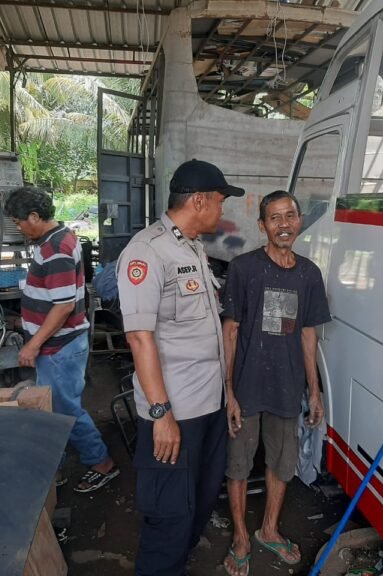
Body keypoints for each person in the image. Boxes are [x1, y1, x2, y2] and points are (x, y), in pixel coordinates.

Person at [117, 159, 244, 576]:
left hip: (207, 405)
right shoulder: (147, 251)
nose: (223, 211)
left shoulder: (190, 246)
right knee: (169, 515)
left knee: (200, 502)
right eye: (221, 202)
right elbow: (139, 337)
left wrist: (227, 396)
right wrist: (160, 414)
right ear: (199, 200)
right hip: (174, 413)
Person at [221, 190, 331, 576]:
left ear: (300, 220)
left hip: (287, 387)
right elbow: (230, 332)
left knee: (283, 464)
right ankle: (240, 537)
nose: (283, 224)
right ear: (262, 225)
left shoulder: (309, 273)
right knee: (237, 465)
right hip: (248, 387)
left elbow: (307, 334)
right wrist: (229, 392)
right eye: (275, 218)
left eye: (290, 216)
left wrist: (313, 390)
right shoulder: (243, 269)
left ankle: (268, 529)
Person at [5, 186, 119, 493]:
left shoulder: (55, 249)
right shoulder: (53, 240)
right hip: (59, 344)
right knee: (60, 406)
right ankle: (59, 464)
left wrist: (33, 343)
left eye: (18, 221)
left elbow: (64, 305)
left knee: (65, 409)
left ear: (34, 216)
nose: (18, 227)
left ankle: (101, 462)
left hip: (60, 346)